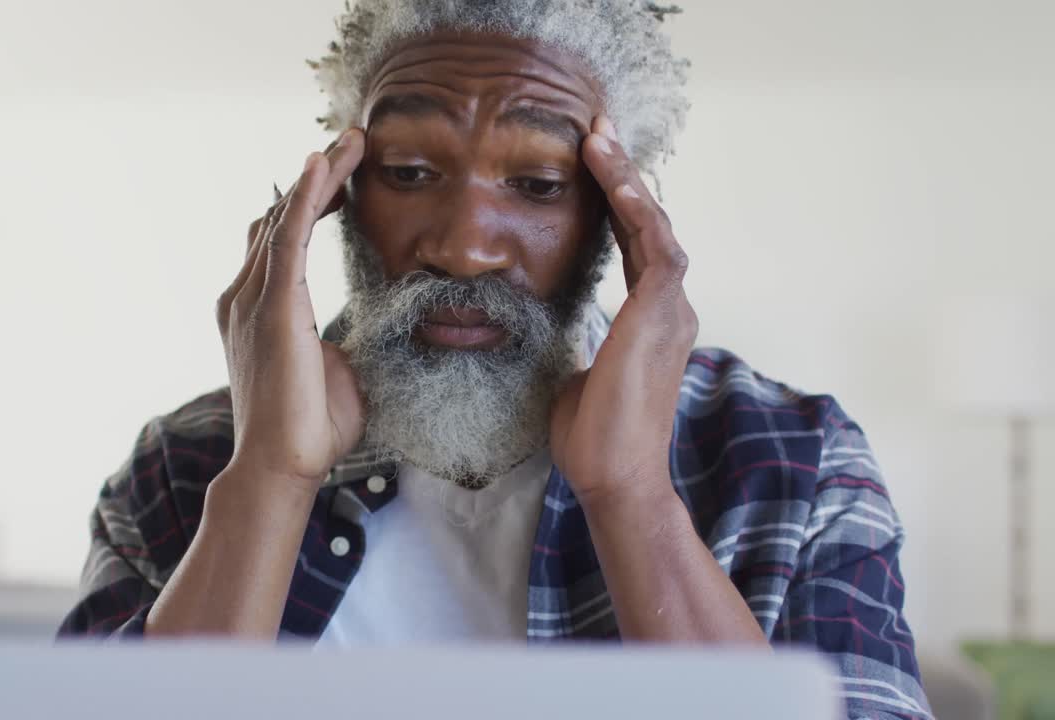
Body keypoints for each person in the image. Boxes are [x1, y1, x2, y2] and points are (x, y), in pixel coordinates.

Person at [58, 2, 931, 717]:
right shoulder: (183, 467)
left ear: (618, 215)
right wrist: (270, 480)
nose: (466, 246)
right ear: (340, 195)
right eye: (406, 170)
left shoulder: (795, 463)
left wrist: (630, 494)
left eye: (540, 185)